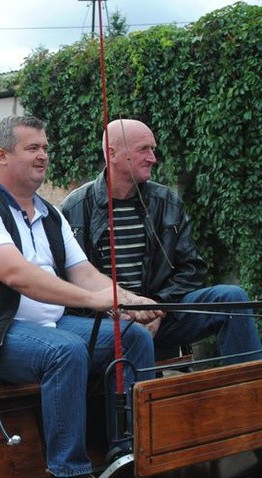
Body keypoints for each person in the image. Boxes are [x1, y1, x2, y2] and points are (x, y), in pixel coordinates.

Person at [0, 115, 159, 478]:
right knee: (64, 350)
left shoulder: (49, 212)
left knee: (134, 336)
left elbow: (84, 273)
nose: (43, 156)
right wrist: (98, 302)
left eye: (45, 148)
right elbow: (17, 275)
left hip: (50, 324)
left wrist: (128, 300)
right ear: (1, 155)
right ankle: (66, 477)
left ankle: (128, 452)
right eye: (33, 148)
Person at [61, 118, 262, 364]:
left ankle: (250, 395)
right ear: (112, 154)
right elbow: (69, 280)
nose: (153, 158)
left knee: (232, 297)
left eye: (153, 149)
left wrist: (158, 308)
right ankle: (138, 401)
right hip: (105, 322)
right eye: (143, 149)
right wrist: (119, 311)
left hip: (163, 312)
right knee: (132, 337)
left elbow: (191, 268)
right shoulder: (75, 208)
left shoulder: (167, 201)